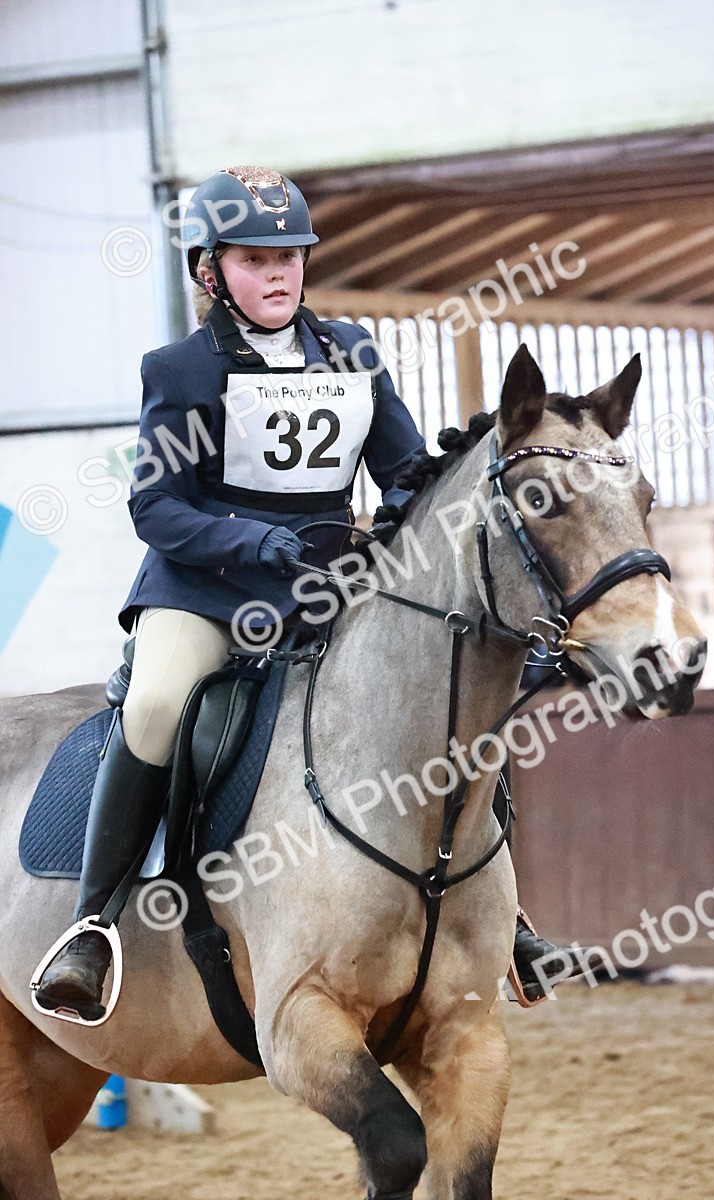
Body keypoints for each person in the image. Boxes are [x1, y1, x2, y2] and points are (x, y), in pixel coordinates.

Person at [34, 167, 588, 1023]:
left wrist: (402, 526)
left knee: (452, 692)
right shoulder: (179, 369)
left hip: (331, 588)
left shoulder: (351, 353)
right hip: (205, 593)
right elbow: (156, 506)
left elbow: (406, 472)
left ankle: (505, 918)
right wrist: (254, 540)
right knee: (152, 708)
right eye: (257, 259)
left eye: (291, 256)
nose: (281, 273)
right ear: (212, 272)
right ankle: (92, 928)